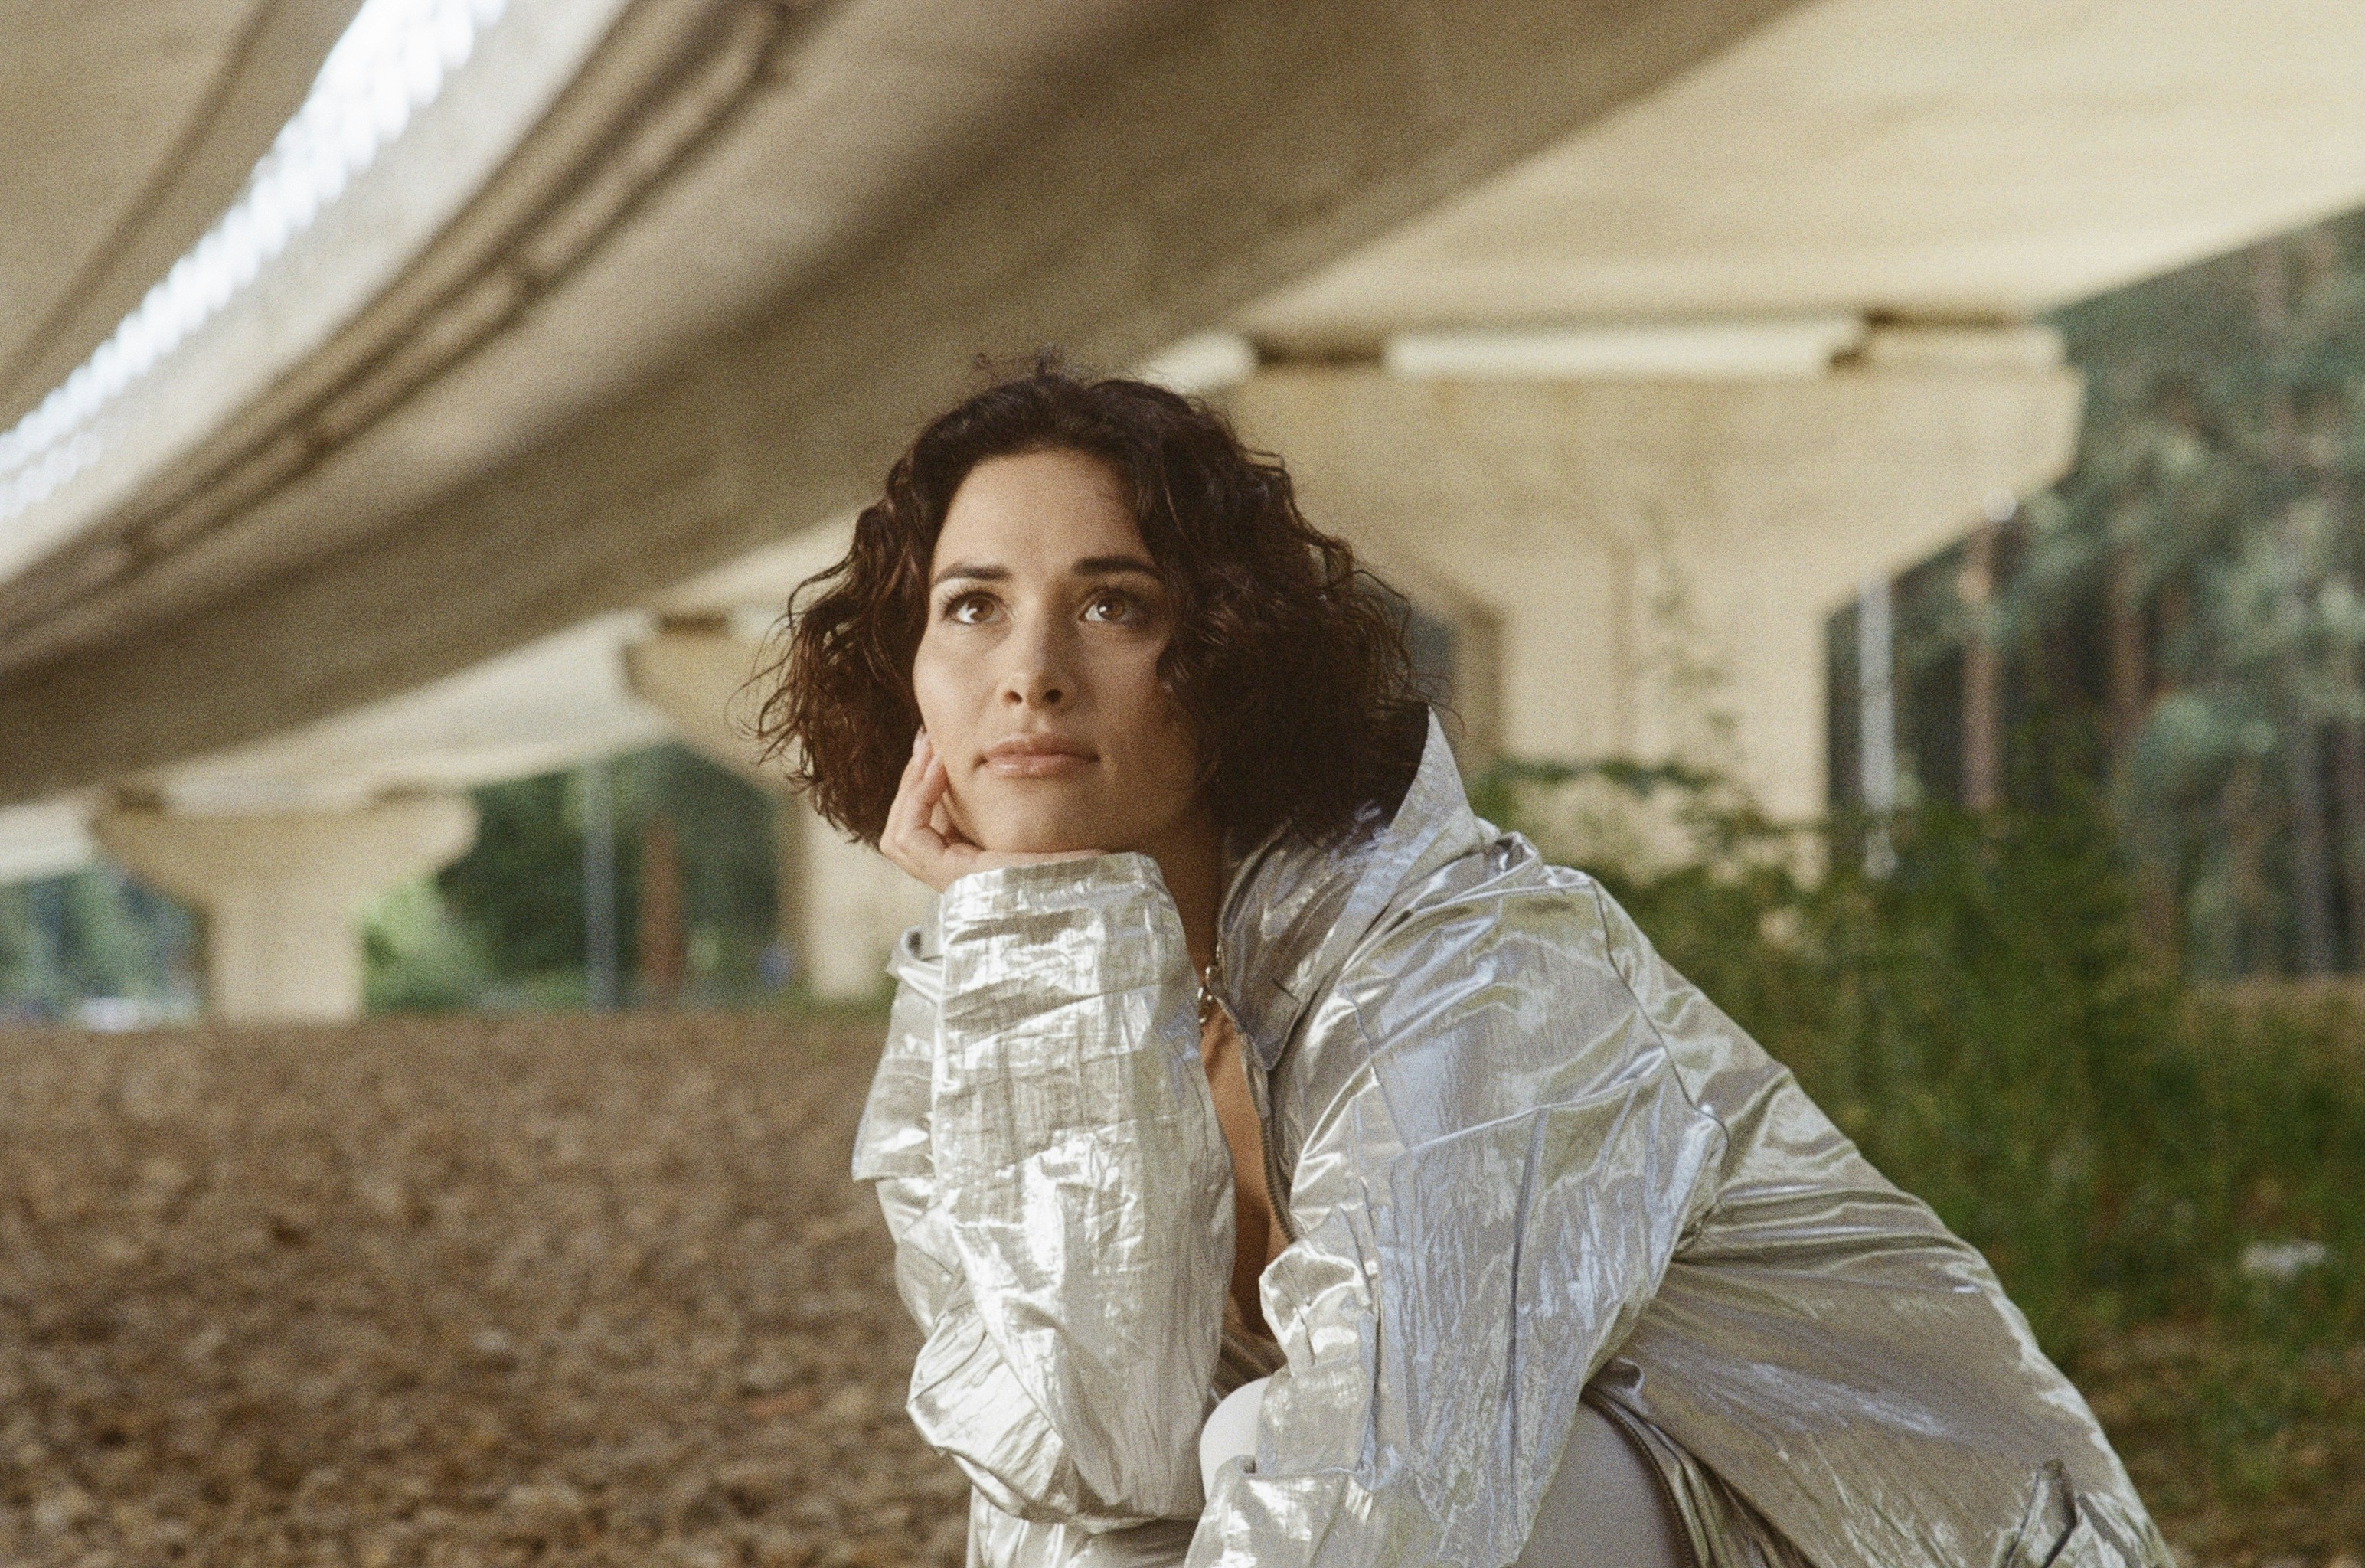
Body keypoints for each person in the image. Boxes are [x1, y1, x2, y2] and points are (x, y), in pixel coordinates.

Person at [754, 361, 2173, 1568]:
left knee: (1276, 1446)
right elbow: (1085, 1467)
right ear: (909, 666)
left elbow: (1394, 1497)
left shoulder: (1470, 971)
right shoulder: (999, 997)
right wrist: (1041, 960)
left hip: (1868, 1531)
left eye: (1114, 604)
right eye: (970, 606)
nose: (1032, 670)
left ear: (1230, 652)